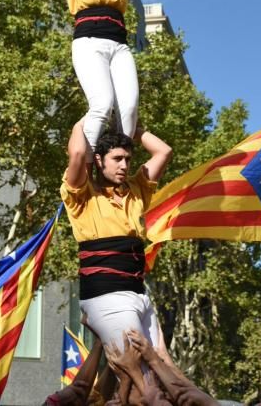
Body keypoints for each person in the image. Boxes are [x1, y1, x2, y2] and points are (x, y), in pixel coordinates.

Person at [60, 119, 172, 350]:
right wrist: (89, 118)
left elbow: (164, 151)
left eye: (128, 159)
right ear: (99, 160)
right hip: (105, 291)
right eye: (117, 159)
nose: (124, 165)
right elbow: (79, 152)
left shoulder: (137, 189)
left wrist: (132, 128)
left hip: (137, 291)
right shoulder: (83, 194)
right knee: (135, 360)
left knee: (160, 362)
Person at [61, 0, 146, 157]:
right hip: (89, 43)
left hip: (119, 47)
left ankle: (120, 160)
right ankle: (87, 165)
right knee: (102, 104)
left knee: (129, 108)